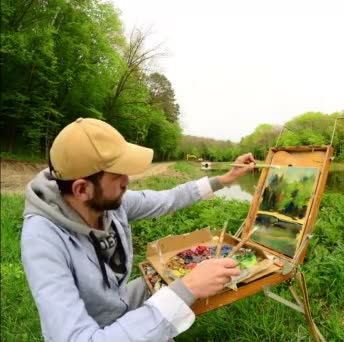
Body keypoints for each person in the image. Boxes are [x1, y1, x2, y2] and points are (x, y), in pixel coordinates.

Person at [21, 117, 255, 341]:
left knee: (171, 280)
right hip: (96, 331)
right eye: (117, 175)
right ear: (82, 189)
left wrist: (225, 179)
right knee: (179, 290)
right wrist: (189, 288)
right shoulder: (42, 240)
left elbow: (169, 198)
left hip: (117, 303)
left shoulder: (107, 202)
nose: (127, 180)